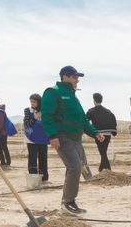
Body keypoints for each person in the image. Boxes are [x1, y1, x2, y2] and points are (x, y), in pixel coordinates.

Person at [41, 65, 107, 216]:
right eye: (75, 77)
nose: (77, 80)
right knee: (75, 167)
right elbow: (47, 115)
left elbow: (82, 119)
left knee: (79, 167)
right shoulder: (53, 92)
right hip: (63, 137)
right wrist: (52, 135)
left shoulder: (72, 95)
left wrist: (94, 133)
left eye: (78, 77)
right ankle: (68, 202)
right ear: (65, 77)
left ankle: (69, 201)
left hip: (76, 138)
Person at [86, 92, 117, 171]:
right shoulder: (108, 111)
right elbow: (114, 121)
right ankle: (101, 168)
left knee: (103, 153)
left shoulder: (91, 111)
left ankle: (108, 169)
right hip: (108, 134)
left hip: (99, 134)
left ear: (94, 100)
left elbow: (85, 121)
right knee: (103, 151)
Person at [23, 93, 50, 182]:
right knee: (32, 158)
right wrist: (35, 118)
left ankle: (44, 177)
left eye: (34, 102)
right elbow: (27, 124)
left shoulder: (45, 111)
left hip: (43, 138)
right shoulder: (27, 111)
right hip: (31, 138)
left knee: (43, 157)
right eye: (31, 102)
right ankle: (33, 178)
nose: (32, 104)